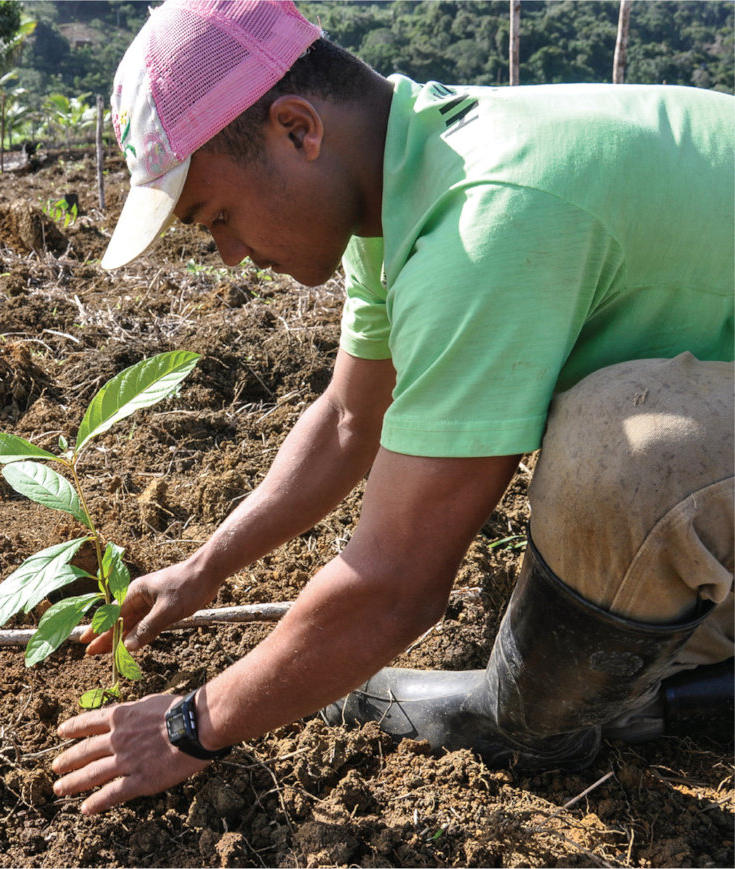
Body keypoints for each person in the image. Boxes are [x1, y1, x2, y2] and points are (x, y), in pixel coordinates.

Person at [52, 0, 734, 814]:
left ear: (298, 129)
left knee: (624, 450)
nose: (230, 256)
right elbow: (349, 418)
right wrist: (200, 571)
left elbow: (397, 583)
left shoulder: (484, 223)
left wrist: (193, 723)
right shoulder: (409, 168)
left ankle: (592, 711)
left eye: (218, 217)